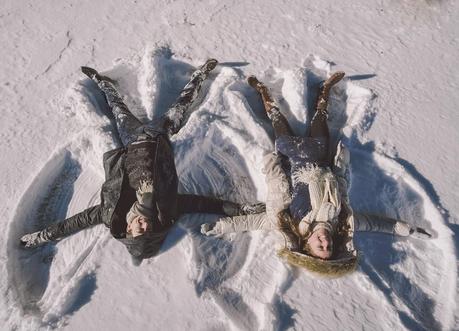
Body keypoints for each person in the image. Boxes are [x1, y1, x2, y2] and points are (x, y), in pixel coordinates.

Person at [20, 59, 264, 263]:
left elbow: (74, 223)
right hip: (158, 138)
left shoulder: (109, 214)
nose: (143, 226)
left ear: (128, 230)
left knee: (118, 109)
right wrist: (242, 209)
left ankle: (101, 82)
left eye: (138, 231)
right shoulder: (166, 209)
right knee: (181, 106)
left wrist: (42, 236)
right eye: (148, 230)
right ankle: (201, 74)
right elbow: (204, 204)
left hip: (132, 141)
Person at [201, 72, 431, 277]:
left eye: (319, 246)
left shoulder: (287, 223)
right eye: (329, 247)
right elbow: (375, 224)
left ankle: (262, 91)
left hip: (292, 158)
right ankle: (325, 91)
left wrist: (220, 227)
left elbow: (253, 221)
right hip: (322, 158)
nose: (325, 241)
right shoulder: (342, 222)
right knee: (320, 123)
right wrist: (407, 229)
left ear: (307, 245)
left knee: (278, 123)